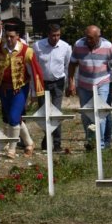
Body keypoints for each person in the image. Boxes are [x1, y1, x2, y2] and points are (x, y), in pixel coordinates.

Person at [0, 18, 45, 158]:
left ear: (18, 36)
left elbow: (33, 72)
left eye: (12, 37)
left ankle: (12, 149)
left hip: (20, 88)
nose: (9, 39)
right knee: (13, 118)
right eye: (7, 36)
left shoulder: (26, 51)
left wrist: (34, 93)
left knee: (13, 117)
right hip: (4, 88)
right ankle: (29, 143)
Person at [67, 25, 112, 150]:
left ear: (98, 37)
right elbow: (72, 64)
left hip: (102, 82)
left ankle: (100, 144)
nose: (88, 40)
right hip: (84, 84)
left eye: (90, 38)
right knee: (86, 114)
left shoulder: (107, 46)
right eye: (86, 37)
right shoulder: (79, 45)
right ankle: (90, 141)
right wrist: (71, 82)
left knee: (100, 113)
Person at [33, 23, 71, 152]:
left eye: (58, 35)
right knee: (44, 113)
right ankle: (46, 138)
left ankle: (57, 143)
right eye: (53, 35)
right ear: (48, 35)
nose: (56, 38)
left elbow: (67, 65)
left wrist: (69, 83)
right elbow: (35, 66)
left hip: (58, 82)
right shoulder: (38, 46)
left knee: (56, 113)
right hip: (43, 83)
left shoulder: (65, 47)